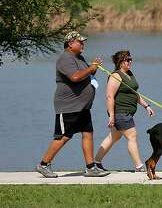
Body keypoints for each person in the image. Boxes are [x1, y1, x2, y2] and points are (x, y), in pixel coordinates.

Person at [35, 31, 110, 177]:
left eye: (83, 42)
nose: (83, 44)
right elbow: (75, 77)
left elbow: (85, 74)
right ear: (70, 44)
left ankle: (90, 167)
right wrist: (90, 68)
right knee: (64, 136)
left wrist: (93, 69)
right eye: (80, 42)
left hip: (82, 106)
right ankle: (43, 164)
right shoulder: (65, 58)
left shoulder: (79, 57)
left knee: (88, 133)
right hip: (68, 105)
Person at [94, 50, 154, 172]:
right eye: (127, 60)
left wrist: (146, 106)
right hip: (120, 112)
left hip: (127, 112)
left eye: (130, 59)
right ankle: (139, 167)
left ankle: (96, 162)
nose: (130, 61)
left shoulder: (129, 74)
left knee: (113, 137)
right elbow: (109, 96)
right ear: (120, 62)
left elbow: (135, 93)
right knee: (132, 136)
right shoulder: (116, 76)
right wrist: (111, 115)